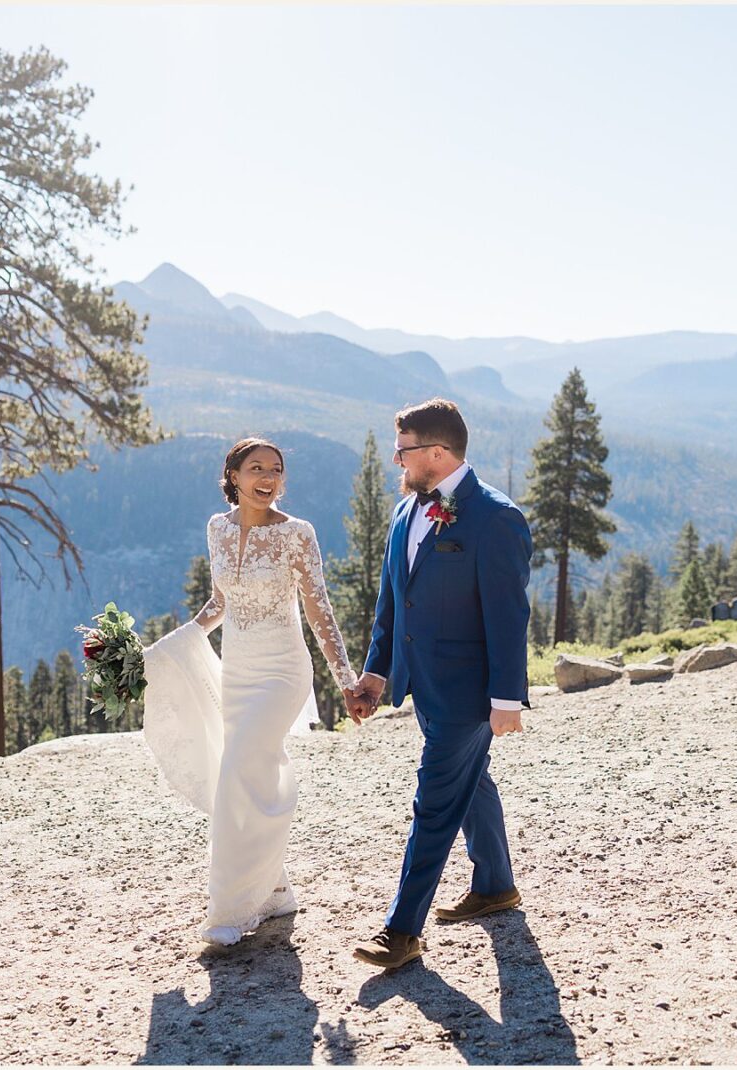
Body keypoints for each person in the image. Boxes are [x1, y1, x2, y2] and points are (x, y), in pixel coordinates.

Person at [140, 437, 358, 947]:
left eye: (276, 470)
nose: (268, 477)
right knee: (247, 771)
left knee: (240, 771)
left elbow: (319, 611)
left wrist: (345, 680)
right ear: (233, 476)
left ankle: (234, 909)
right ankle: (277, 888)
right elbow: (220, 601)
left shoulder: (297, 535)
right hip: (235, 671)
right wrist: (175, 644)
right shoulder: (217, 528)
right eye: (256, 468)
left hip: (283, 671)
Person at [347, 398, 533, 970]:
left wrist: (505, 699)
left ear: (435, 453)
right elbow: (391, 603)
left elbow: (508, 614)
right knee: (471, 786)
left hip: (468, 693)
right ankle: (496, 886)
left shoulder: (495, 518)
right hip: (419, 682)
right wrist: (377, 672)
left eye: (401, 451)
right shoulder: (405, 513)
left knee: (434, 802)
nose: (394, 461)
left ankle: (400, 932)